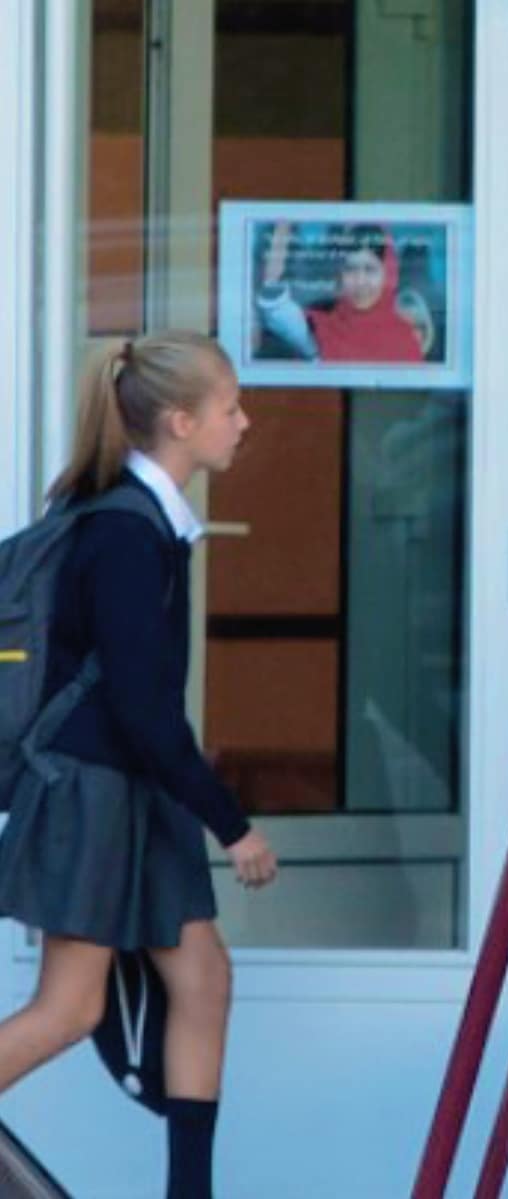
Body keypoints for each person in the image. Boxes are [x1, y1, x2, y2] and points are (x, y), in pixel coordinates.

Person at [0, 332, 278, 1199]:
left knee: (202, 976)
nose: (244, 421)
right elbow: (141, 707)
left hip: (134, 791)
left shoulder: (151, 525)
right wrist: (230, 824)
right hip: (93, 794)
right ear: (181, 421)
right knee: (70, 1009)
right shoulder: (123, 536)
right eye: (230, 407)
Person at [256, 221, 424, 364]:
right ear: (340, 274)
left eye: (370, 270)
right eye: (351, 269)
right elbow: (277, 309)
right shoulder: (321, 329)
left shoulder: (404, 339)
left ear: (388, 274)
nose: (360, 281)